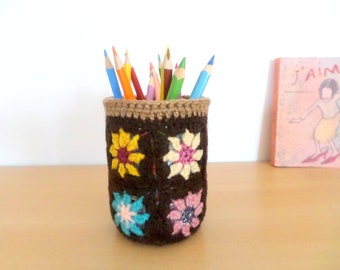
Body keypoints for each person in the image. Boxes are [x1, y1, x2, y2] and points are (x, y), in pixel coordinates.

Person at [291, 78, 340, 164]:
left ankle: (335, 151)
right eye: (323, 92)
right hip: (325, 119)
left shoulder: (334, 98)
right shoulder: (319, 102)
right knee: (316, 133)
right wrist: (300, 118)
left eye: (328, 92)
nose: (324, 94)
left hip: (335, 118)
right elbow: (308, 110)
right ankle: (318, 151)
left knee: (327, 135)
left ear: (333, 92)